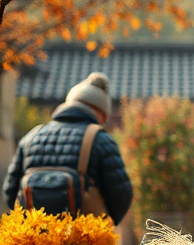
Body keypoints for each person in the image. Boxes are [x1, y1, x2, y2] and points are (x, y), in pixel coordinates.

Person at [4, 72, 134, 224]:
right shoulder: (101, 139)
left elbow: (10, 190)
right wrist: (106, 223)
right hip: (84, 239)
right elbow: (121, 195)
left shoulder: (31, 136)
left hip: (35, 238)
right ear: (99, 112)